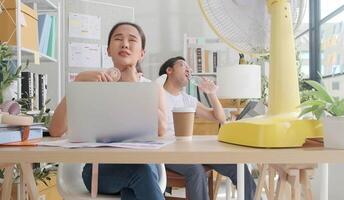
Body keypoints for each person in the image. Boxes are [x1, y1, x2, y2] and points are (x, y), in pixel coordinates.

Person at [49, 22, 166, 200]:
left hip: (146, 165)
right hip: (99, 171)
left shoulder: (150, 88)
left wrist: (133, 88)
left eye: (132, 40)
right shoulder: (91, 84)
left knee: (134, 186)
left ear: (142, 53)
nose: (125, 44)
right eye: (118, 39)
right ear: (108, 50)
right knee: (139, 173)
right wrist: (77, 85)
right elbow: (56, 130)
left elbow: (161, 130)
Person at [158, 56, 256, 200]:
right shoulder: (157, 94)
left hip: (188, 149)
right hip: (166, 151)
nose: (188, 69)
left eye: (189, 67)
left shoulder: (187, 99)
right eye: (182, 65)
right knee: (196, 170)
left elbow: (220, 118)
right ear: (169, 70)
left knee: (237, 166)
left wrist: (212, 94)